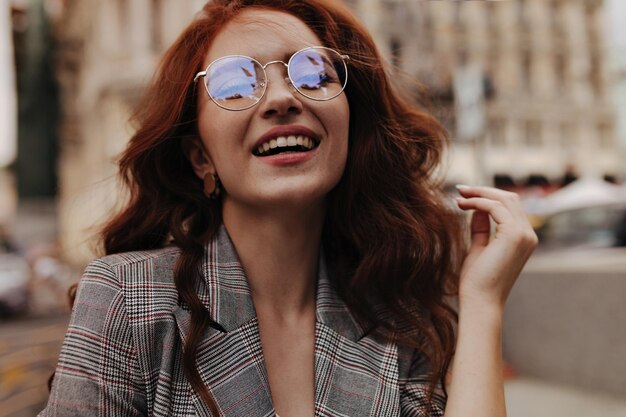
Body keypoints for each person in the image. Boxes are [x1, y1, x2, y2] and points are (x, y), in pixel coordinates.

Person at [40, 1, 537, 416]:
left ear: (348, 128)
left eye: (311, 72)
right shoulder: (129, 297)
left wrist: (482, 305)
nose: (281, 97)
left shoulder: (399, 317)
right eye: (235, 83)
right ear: (200, 158)